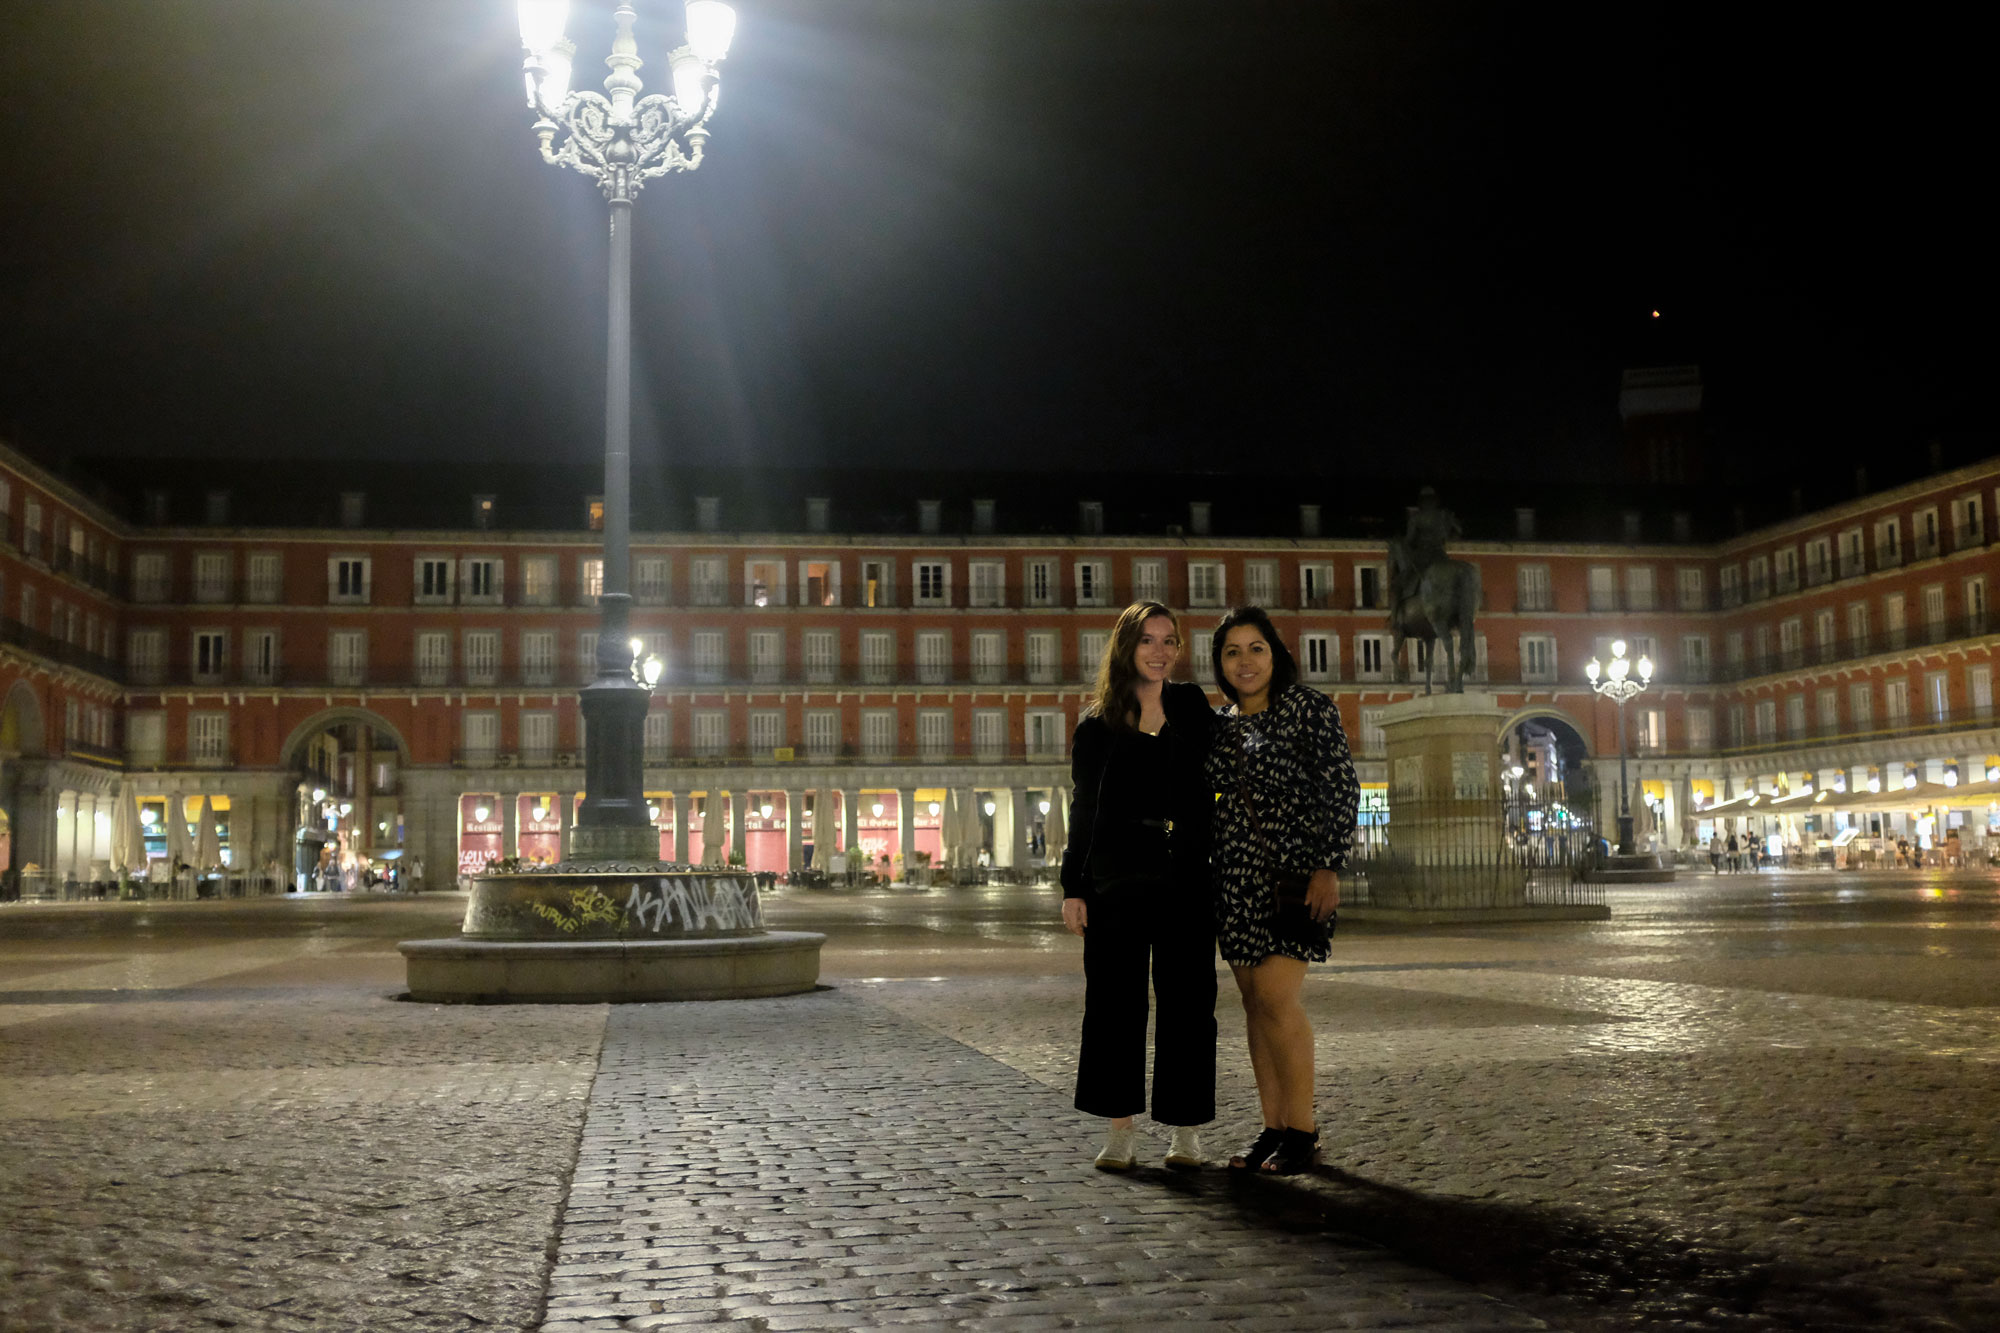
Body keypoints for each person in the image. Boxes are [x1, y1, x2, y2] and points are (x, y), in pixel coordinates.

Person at [1060, 601, 1218, 1172]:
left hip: (1186, 879)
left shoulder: (1193, 707)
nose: (1160, 651)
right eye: (1148, 640)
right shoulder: (1097, 726)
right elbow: (1084, 811)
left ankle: (1186, 1132)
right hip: (1114, 883)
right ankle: (1120, 1131)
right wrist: (1072, 887)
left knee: (1190, 1005)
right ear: (1126, 647)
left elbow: (1221, 776)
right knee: (1113, 1006)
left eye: (1169, 640)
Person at [1205, 607, 1357, 1175]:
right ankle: (1272, 1125)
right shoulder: (1221, 726)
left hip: (1294, 878)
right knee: (1252, 1004)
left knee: (1276, 999)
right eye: (1232, 652)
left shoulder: (1307, 708)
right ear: (1220, 664)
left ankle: (1304, 1129)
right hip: (1235, 879)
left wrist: (1329, 865)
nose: (1245, 661)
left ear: (1276, 654)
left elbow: (1342, 786)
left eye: (1256, 648)